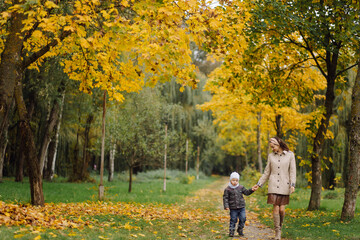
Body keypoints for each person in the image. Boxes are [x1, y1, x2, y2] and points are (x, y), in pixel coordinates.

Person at [252, 137, 296, 240]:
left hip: (285, 185)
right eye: (271, 147)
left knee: (281, 209)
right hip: (273, 185)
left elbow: (292, 172)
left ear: (279, 144)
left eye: (273, 147)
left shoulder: (290, 155)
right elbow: (267, 172)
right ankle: (277, 233)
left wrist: (292, 185)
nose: (272, 149)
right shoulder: (271, 156)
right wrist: (258, 184)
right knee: (276, 207)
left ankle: (280, 227)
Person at [223, 171, 255, 237]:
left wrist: (252, 189)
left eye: (237, 180)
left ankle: (240, 229)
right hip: (233, 208)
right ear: (230, 180)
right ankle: (231, 231)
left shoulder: (241, 187)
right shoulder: (228, 189)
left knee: (243, 218)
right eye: (233, 180)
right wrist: (226, 206)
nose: (235, 182)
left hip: (241, 207)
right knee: (233, 219)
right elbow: (225, 198)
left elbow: (246, 192)